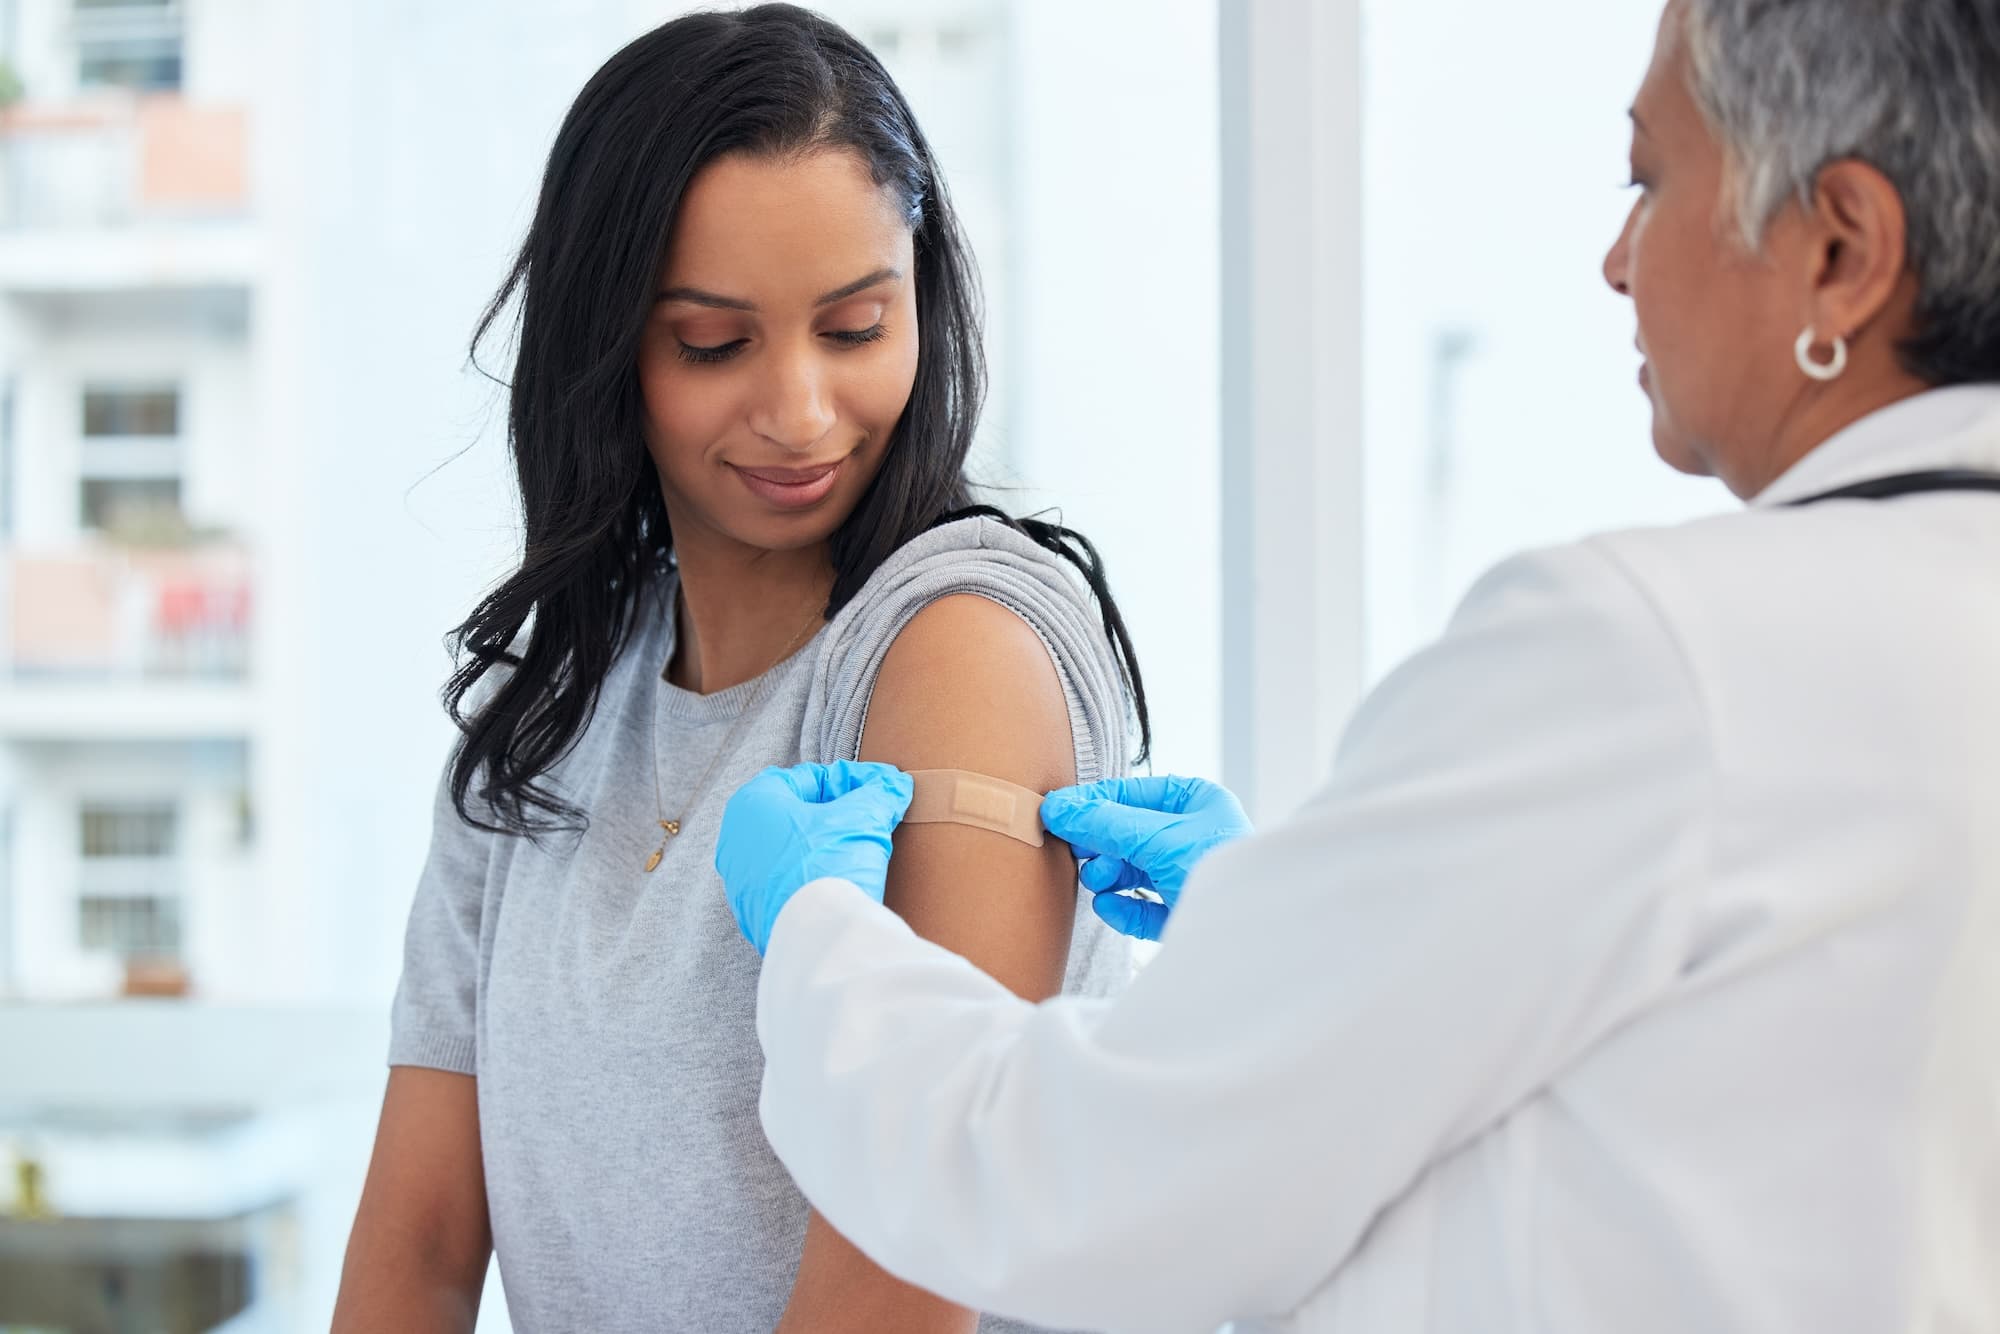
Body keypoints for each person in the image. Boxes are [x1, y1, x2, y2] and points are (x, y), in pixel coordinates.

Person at [712, 2, 2000, 1330]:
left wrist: (822, 942)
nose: (1619, 260)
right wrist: (1282, 930)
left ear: (1842, 249)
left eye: (1650, 179)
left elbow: (1101, 1187)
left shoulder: (1657, 656)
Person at [330, 8, 1150, 1332]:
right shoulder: (548, 713)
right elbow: (419, 1245)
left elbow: (905, 1268)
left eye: (855, 326)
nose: (802, 411)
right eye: (715, 342)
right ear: (608, 348)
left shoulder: (958, 648)